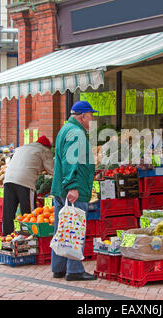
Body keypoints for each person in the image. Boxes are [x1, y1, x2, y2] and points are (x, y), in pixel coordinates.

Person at [50, 100, 98, 281]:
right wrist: (73, 186)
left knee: (62, 228)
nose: (92, 119)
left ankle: (59, 267)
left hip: (61, 188)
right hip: (72, 189)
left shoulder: (65, 129)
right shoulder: (77, 132)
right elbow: (71, 160)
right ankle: (75, 270)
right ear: (82, 116)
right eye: (91, 116)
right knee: (74, 229)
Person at [2, 136, 54, 235]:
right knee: (30, 213)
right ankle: (30, 239)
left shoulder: (23, 147)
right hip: (24, 182)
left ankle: (6, 238)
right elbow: (52, 170)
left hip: (8, 179)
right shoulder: (44, 150)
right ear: (47, 146)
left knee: (8, 213)